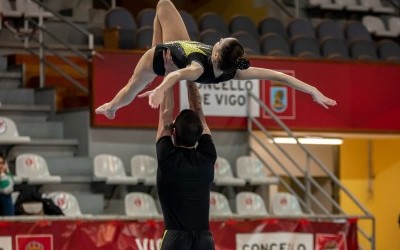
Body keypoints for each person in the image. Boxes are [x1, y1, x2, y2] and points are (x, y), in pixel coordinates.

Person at [95, 0, 336, 119]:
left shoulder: (198, 67)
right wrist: (312, 89)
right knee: (163, 4)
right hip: (179, 46)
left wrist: (159, 88)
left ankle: (111, 108)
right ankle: (158, 44)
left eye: (219, 43)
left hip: (159, 59)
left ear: (217, 54)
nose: (217, 41)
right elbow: (277, 75)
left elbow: (177, 74)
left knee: (131, 86)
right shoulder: (236, 69)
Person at [156, 79, 216, 250]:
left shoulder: (167, 157)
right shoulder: (208, 156)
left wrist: (169, 74)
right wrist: (192, 75)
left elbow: (165, 114)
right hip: (204, 240)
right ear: (199, 134)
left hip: (176, 240)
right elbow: (199, 111)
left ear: (173, 132)